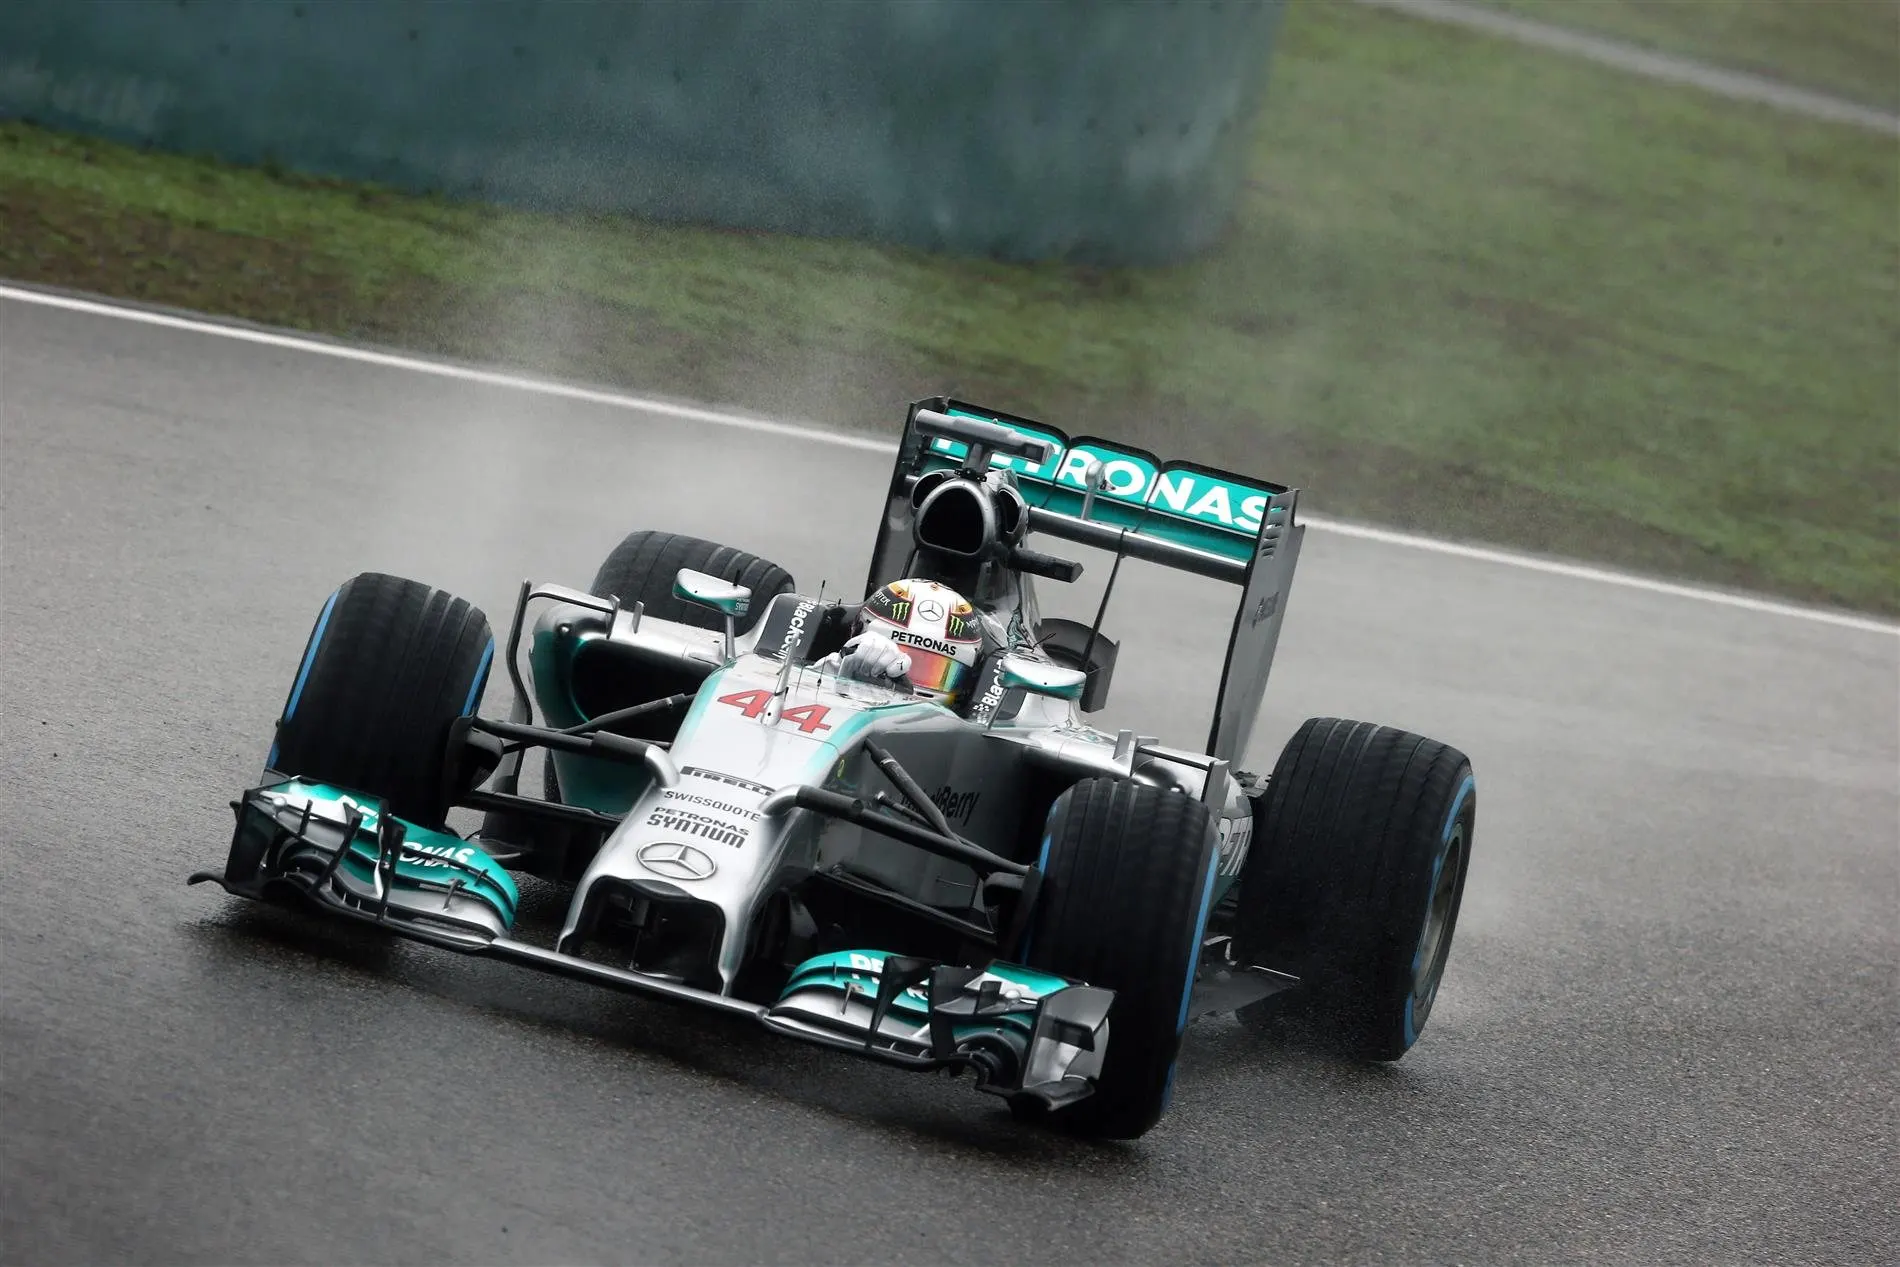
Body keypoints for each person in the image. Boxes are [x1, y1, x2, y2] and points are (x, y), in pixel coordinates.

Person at [826, 578, 985, 709]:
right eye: (895, 658)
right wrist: (835, 671)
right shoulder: (828, 670)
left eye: (930, 670)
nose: (908, 684)